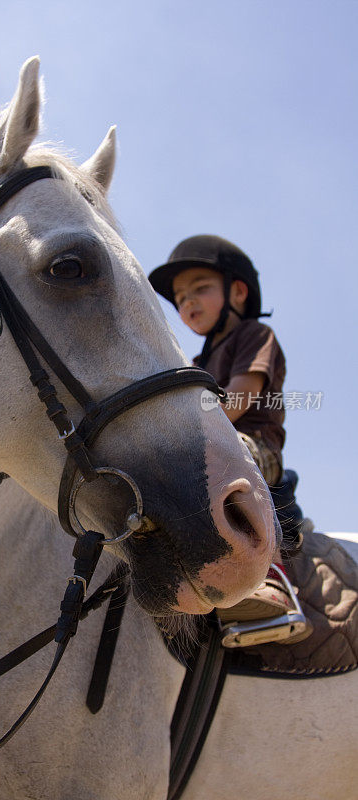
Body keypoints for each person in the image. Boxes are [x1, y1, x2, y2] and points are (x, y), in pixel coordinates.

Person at [148, 235, 312, 644]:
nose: (188, 302)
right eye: (181, 297)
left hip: (254, 444)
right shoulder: (196, 363)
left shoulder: (255, 335)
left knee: (230, 455)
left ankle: (268, 578)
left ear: (237, 291)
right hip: (207, 442)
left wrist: (180, 420)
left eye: (200, 288)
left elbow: (236, 401)